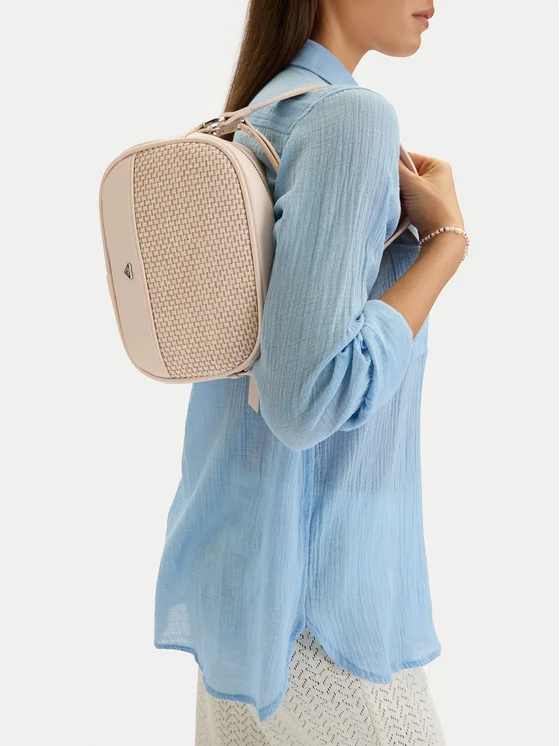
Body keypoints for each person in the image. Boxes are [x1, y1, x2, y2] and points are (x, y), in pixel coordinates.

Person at [154, 1, 467, 743]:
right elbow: (305, 400)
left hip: (237, 594)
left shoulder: (255, 117)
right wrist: (447, 244)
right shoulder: (348, 117)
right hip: (321, 616)